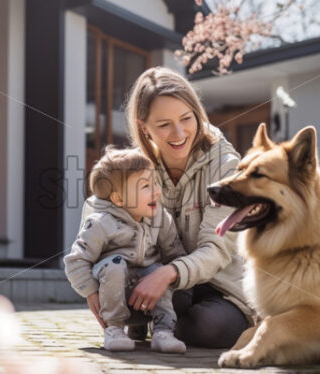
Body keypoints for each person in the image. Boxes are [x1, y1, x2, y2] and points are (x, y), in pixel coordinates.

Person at [83, 66, 254, 348]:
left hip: (218, 286)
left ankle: (162, 325)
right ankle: (161, 323)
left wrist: (167, 273)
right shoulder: (134, 166)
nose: (179, 132)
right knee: (113, 284)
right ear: (143, 127)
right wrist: (90, 285)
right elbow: (96, 212)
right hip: (161, 283)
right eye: (164, 125)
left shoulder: (225, 164)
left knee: (208, 328)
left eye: (187, 118)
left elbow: (217, 248)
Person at [64, 147, 188, 353]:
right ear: (119, 200)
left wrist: (172, 274)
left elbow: (176, 253)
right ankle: (114, 330)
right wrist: (90, 292)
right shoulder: (100, 223)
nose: (156, 191)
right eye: (146, 186)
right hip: (113, 300)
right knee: (115, 264)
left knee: (160, 270)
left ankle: (163, 330)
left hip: (149, 298)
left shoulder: (160, 218)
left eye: (156, 182)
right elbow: (76, 260)